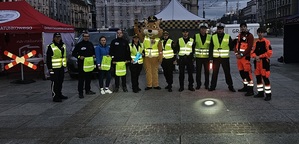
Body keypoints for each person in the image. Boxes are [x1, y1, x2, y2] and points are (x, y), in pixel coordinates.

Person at [208, 23, 236, 92]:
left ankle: (230, 86)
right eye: (218, 29)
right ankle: (212, 86)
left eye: (221, 29)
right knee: (215, 73)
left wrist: (235, 41)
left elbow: (231, 47)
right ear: (217, 29)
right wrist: (210, 58)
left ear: (223, 30)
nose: (219, 30)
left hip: (225, 58)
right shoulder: (213, 37)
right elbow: (211, 48)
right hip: (216, 58)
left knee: (227, 73)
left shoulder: (227, 37)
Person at [251, 28, 273, 101]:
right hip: (257, 63)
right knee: (258, 78)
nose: (260, 34)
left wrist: (259, 56)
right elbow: (252, 52)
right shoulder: (255, 42)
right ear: (257, 33)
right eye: (259, 32)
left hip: (264, 63)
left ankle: (268, 95)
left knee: (265, 78)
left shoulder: (267, 42)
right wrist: (255, 57)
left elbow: (269, 53)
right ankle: (260, 93)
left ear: (263, 33)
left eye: (261, 32)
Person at [72, 32, 96, 98]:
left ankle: (88, 90)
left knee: (88, 78)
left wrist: (93, 55)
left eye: (87, 36)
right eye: (85, 36)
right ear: (83, 37)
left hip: (89, 65)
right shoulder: (79, 45)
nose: (86, 37)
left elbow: (93, 52)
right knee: (81, 79)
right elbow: (74, 53)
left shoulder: (90, 44)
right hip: (82, 65)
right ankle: (80, 93)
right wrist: (79, 56)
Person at [46, 32, 68, 102]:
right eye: (56, 37)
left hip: (61, 67)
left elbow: (64, 56)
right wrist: (50, 68)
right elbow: (48, 58)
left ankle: (59, 94)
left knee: (60, 81)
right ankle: (55, 96)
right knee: (55, 82)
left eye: (59, 37)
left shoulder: (63, 45)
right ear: (54, 38)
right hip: (53, 68)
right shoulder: (51, 46)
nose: (58, 38)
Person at [234, 22, 254, 96]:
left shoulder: (250, 36)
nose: (242, 28)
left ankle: (250, 90)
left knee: (248, 74)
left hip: (245, 57)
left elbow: (249, 48)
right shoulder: (239, 35)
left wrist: (242, 54)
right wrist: (236, 54)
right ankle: (245, 87)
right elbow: (235, 45)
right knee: (242, 73)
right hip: (239, 58)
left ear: (246, 27)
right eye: (241, 27)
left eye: (244, 27)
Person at [194, 23, 212, 90]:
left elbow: (211, 48)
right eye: (202, 28)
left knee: (207, 72)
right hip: (198, 58)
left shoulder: (210, 37)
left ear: (206, 29)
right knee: (198, 72)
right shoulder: (196, 36)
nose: (203, 30)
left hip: (206, 58)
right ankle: (198, 84)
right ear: (200, 29)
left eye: (204, 29)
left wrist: (211, 57)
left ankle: (206, 84)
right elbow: (193, 46)